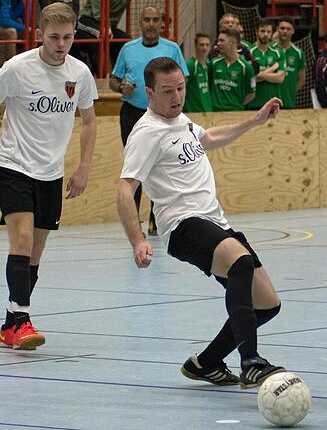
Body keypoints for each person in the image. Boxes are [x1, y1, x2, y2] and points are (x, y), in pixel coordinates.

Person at [117, 56, 286, 388]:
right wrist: (137, 240)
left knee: (266, 305)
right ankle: (250, 362)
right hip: (183, 225)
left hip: (215, 221)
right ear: (149, 94)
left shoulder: (180, 120)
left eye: (180, 88)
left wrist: (255, 121)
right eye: (167, 91)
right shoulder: (147, 132)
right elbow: (125, 189)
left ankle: (205, 363)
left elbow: (208, 138)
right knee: (240, 262)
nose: (177, 96)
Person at [0, 3, 98, 351]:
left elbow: (89, 120)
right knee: (22, 239)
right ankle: (23, 321)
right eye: (54, 37)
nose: (61, 45)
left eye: (68, 38)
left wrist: (84, 166)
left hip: (51, 173)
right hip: (13, 166)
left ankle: (11, 322)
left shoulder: (80, 73)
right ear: (40, 35)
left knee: (35, 254)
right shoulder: (17, 68)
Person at [110, 6, 188, 237]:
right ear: (140, 24)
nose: (151, 24)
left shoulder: (171, 49)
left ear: (161, 24)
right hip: (133, 114)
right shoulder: (128, 49)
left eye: (155, 20)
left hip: (163, 117)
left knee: (161, 167)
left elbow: (183, 82)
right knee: (135, 168)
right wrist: (122, 87)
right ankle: (134, 227)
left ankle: (157, 220)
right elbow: (114, 81)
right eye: (147, 20)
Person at [72, 0, 135, 74]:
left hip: (108, 26)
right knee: (101, 38)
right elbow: (98, 14)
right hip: (88, 20)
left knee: (127, 42)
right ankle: (101, 78)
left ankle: (117, 76)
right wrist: (107, 28)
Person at [210, 29, 255, 111]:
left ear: (232, 42)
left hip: (236, 112)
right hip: (214, 112)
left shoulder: (246, 67)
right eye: (218, 40)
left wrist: (235, 104)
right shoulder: (214, 63)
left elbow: (251, 94)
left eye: (222, 40)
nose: (218, 44)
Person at [248, 19, 284, 110]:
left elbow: (280, 78)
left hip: (274, 103)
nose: (266, 34)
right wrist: (272, 69)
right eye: (263, 31)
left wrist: (260, 75)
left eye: (269, 31)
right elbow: (251, 79)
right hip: (253, 103)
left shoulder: (279, 53)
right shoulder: (249, 52)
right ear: (256, 32)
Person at [274, 17, 306, 109]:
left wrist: (290, 91)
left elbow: (301, 80)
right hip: (269, 101)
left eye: (288, 29)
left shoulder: (298, 53)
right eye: (282, 28)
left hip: (288, 102)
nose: (285, 31)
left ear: (293, 31)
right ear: (277, 30)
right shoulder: (270, 50)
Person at [184, 33, 213, 113]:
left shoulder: (209, 65)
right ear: (196, 46)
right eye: (201, 45)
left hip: (209, 112)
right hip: (194, 113)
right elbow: (181, 87)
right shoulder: (191, 65)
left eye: (207, 45)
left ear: (210, 47)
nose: (205, 48)